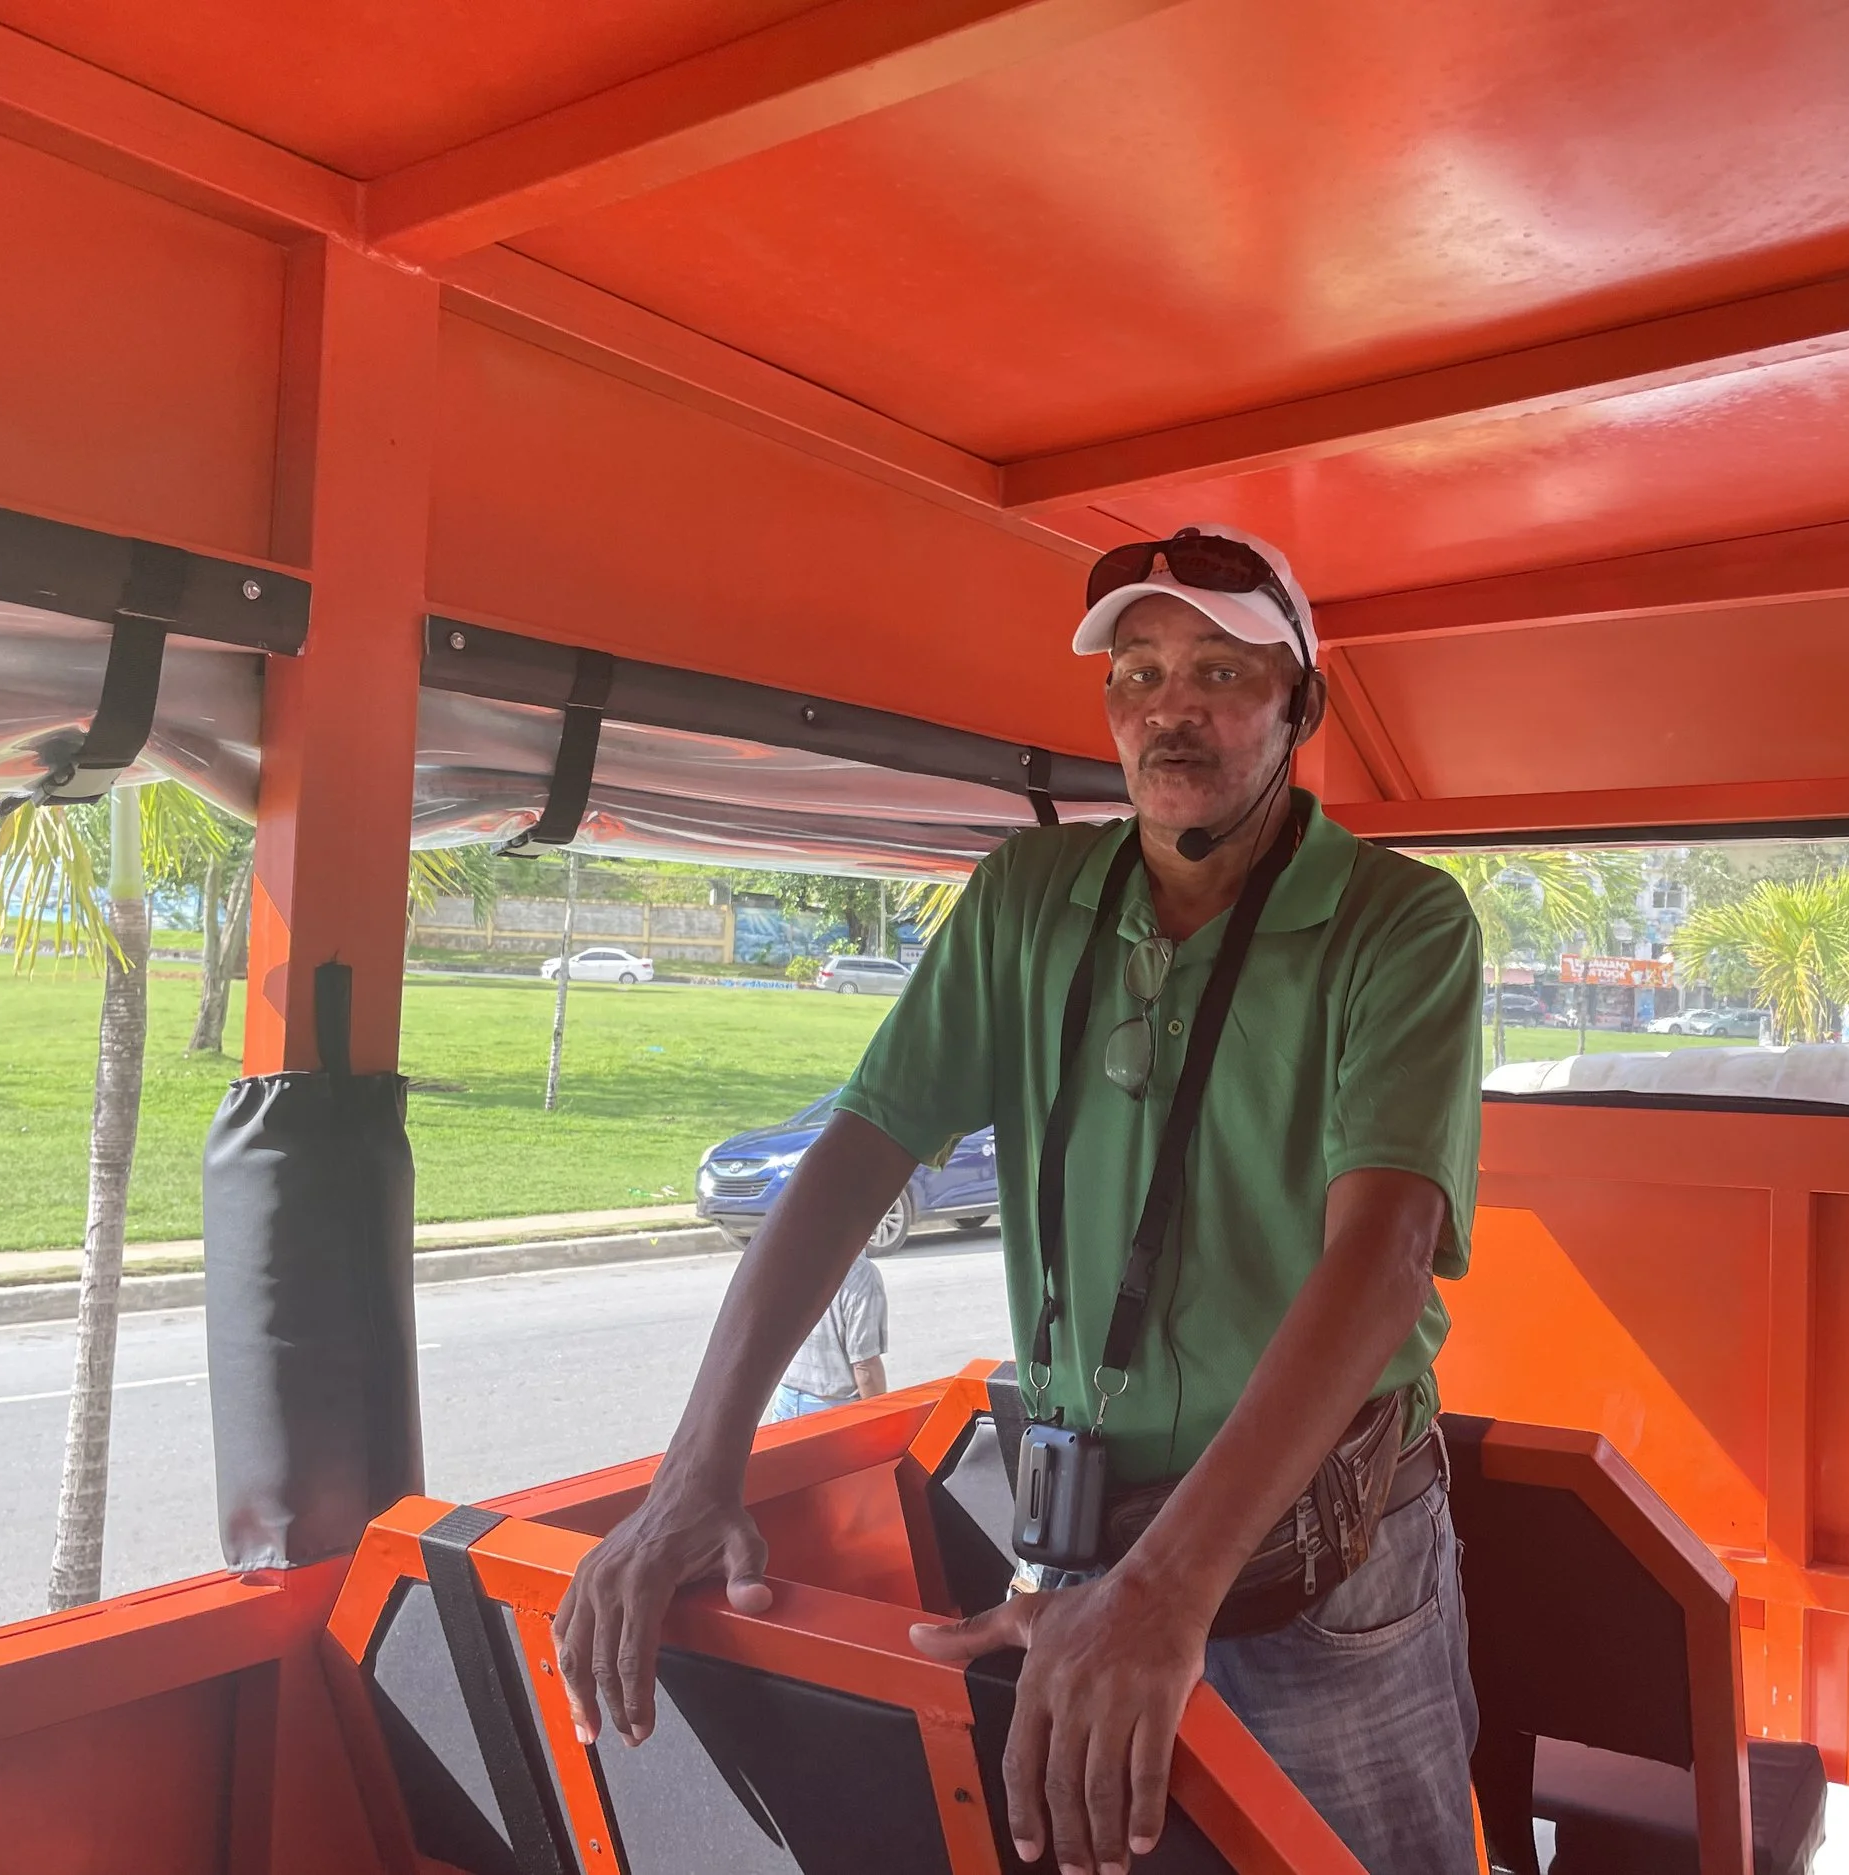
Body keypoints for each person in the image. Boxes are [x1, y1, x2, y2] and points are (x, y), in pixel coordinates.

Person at [554, 524, 1486, 1875]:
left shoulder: (1401, 925)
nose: (1170, 708)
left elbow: (1386, 1255)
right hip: (1084, 1540)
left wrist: (1165, 1590)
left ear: (1305, 706)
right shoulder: (1026, 897)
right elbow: (861, 1148)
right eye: (1138, 674)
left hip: (1324, 1566)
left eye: (1221, 672)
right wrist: (695, 1470)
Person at [763, 1243, 887, 1420]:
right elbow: (865, 1367)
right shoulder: (860, 1273)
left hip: (786, 1400)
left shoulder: (788, 1258)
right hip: (833, 1411)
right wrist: (878, 1422)